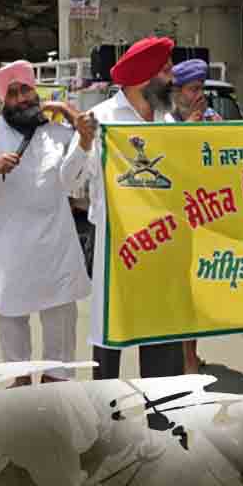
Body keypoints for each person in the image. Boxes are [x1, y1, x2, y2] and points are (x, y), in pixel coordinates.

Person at [0, 60, 95, 387]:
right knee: (17, 366)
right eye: (13, 93)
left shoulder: (59, 134)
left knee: (59, 364)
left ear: (36, 92)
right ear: (4, 102)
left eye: (26, 90)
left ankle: (57, 420)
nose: (21, 98)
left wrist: (67, 110)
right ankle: (21, 417)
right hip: (9, 259)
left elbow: (74, 179)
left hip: (56, 256)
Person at [75, 35, 186, 380]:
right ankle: (106, 421)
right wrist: (82, 143)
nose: (172, 79)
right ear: (144, 78)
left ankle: (163, 423)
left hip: (163, 243)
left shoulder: (168, 121)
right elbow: (69, 184)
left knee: (162, 333)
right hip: (115, 243)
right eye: (166, 71)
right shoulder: (100, 119)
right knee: (112, 331)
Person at [167, 58, 222, 374]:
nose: (199, 95)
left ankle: (190, 356)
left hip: (205, 214)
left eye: (202, 88)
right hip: (174, 217)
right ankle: (183, 357)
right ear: (177, 92)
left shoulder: (211, 117)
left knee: (194, 291)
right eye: (193, 89)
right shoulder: (165, 120)